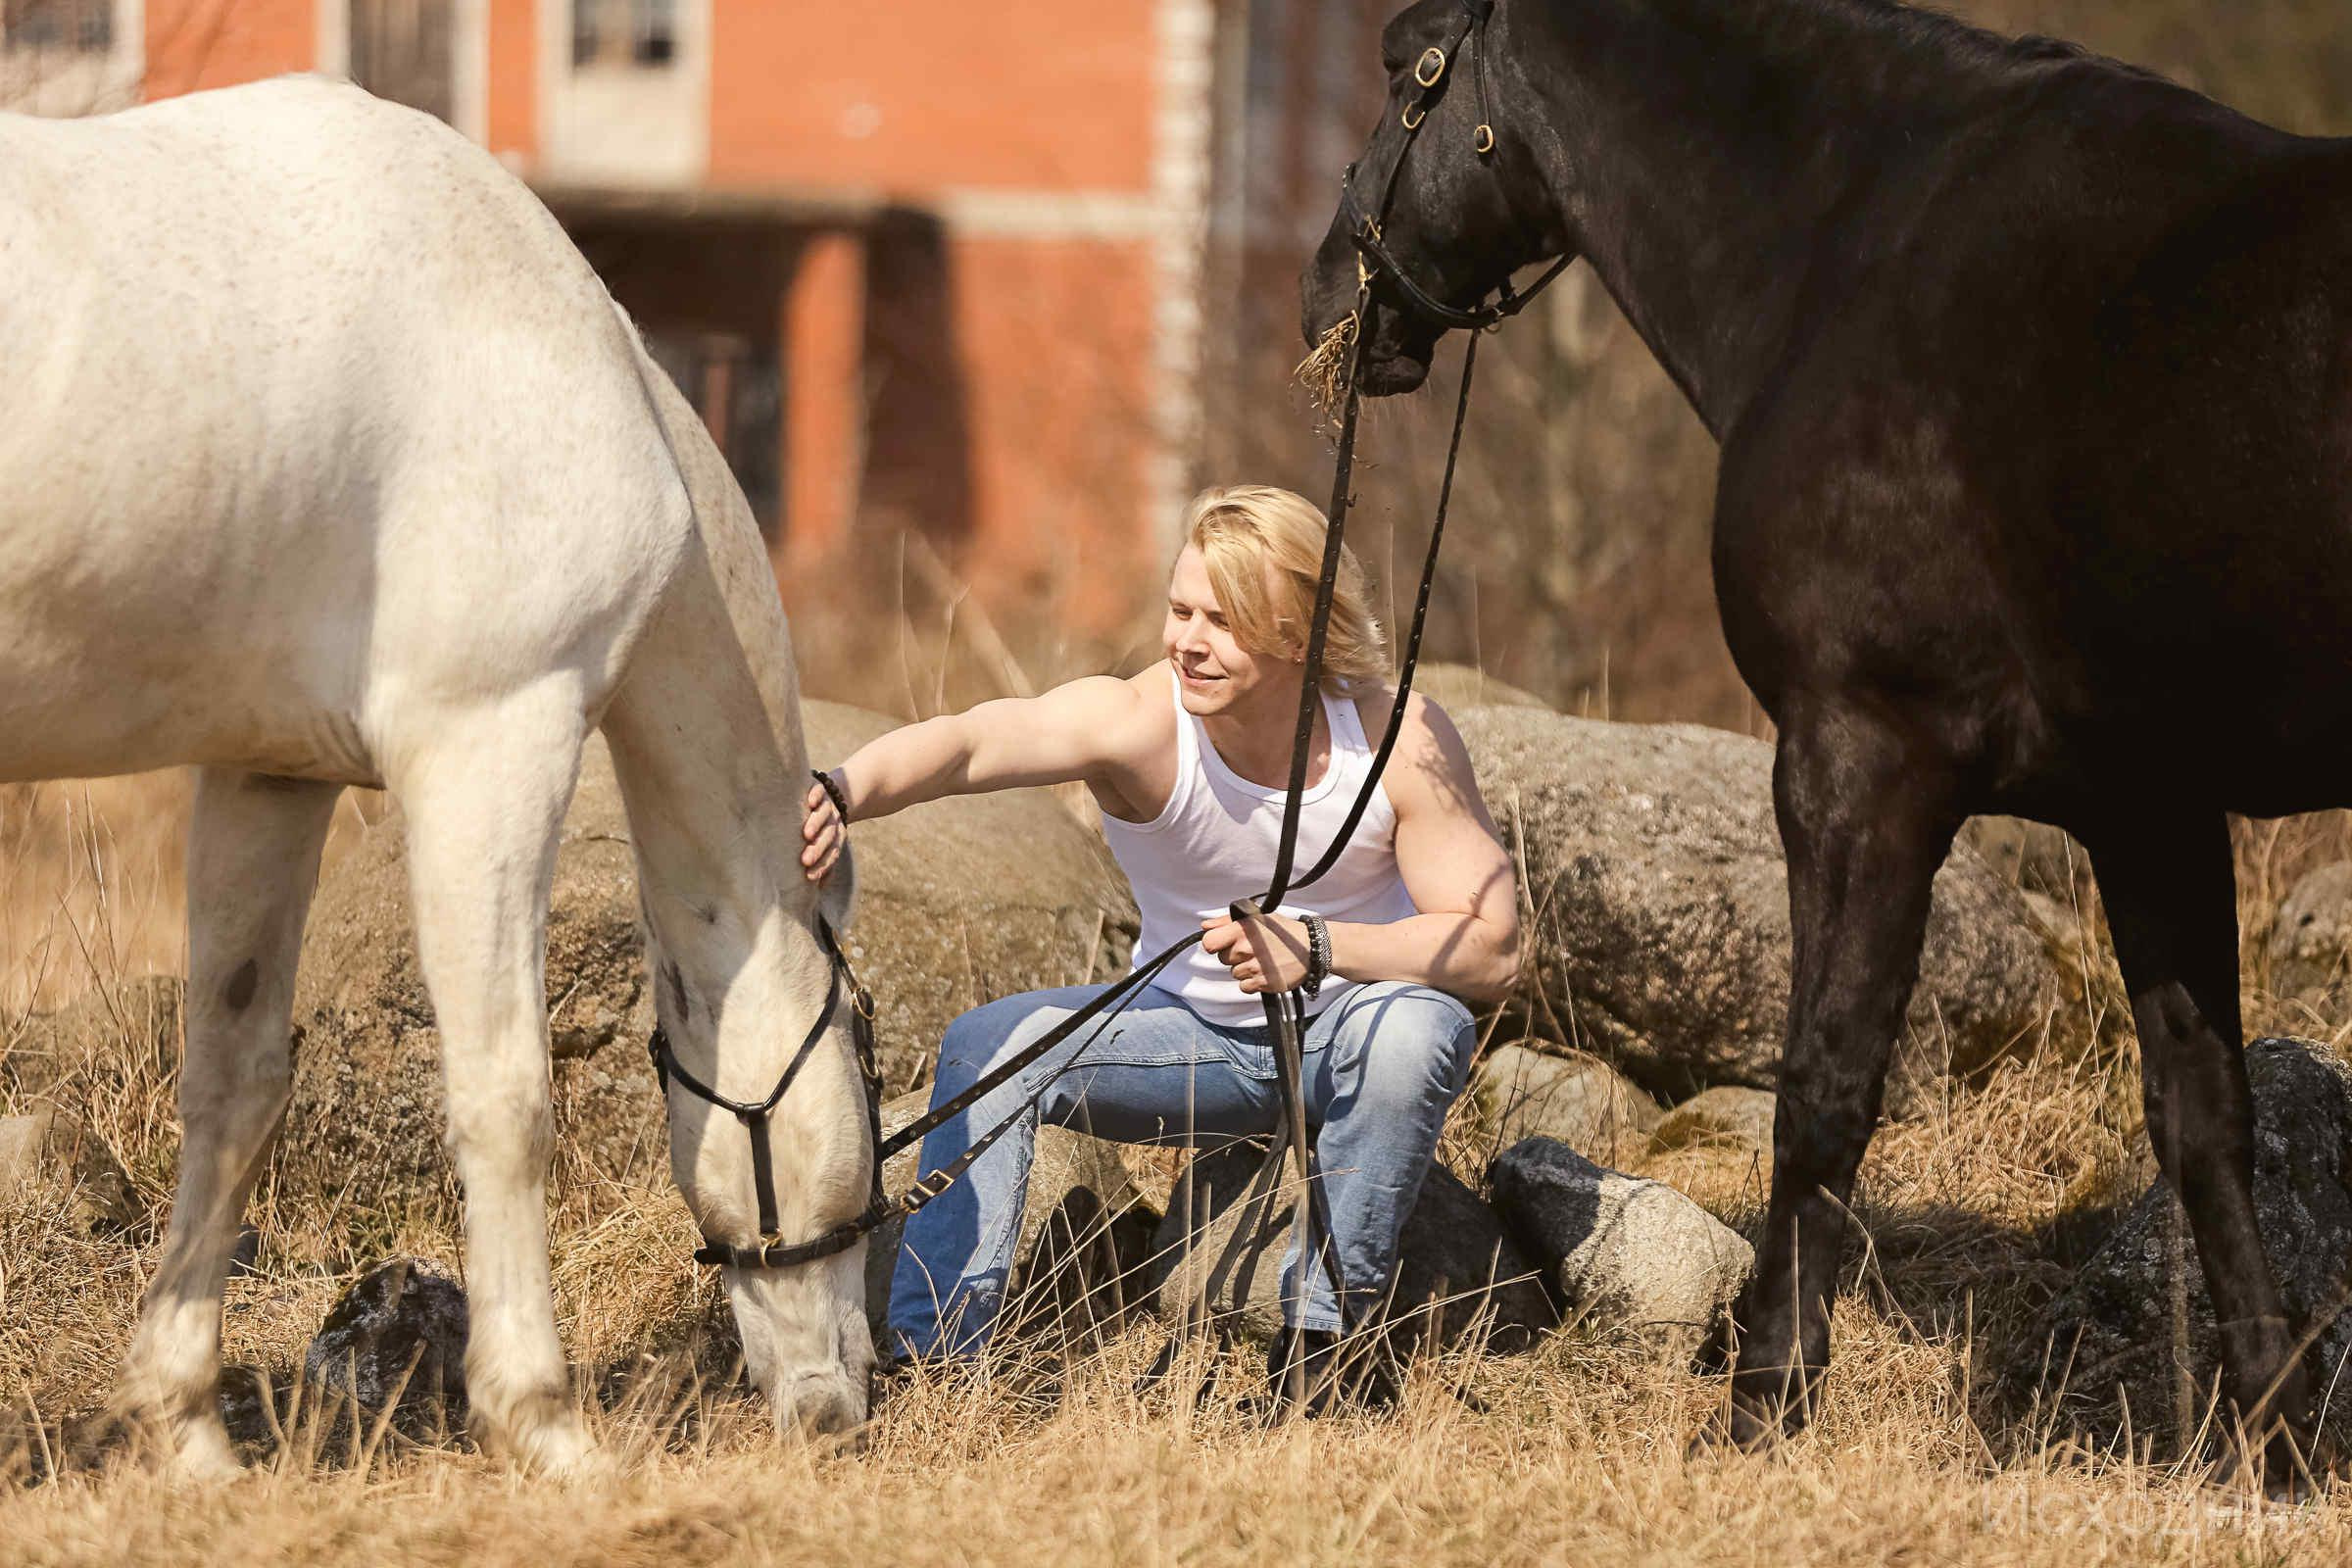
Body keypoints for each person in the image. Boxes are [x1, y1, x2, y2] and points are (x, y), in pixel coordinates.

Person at [799, 484, 1521, 1401]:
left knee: (1417, 1029)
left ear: (1297, 636)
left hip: (1357, 1038)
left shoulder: (1395, 734)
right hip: (1190, 1045)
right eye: (1180, 610)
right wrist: (844, 788)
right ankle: (935, 1365)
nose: (1186, 640)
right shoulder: (1142, 723)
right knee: (989, 1049)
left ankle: (1324, 1356)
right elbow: (976, 743)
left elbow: (1493, 948)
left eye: (1223, 621)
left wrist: (1323, 946)